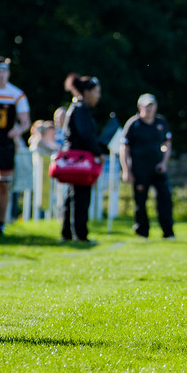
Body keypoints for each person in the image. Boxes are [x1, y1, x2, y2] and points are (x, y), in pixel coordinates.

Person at [120, 93, 174, 239]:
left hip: (157, 169)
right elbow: (124, 148)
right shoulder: (133, 124)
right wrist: (126, 170)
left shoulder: (161, 123)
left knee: (165, 199)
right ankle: (142, 232)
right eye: (146, 106)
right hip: (139, 170)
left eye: (152, 106)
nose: (149, 109)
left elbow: (167, 144)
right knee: (140, 202)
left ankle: (168, 232)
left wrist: (164, 162)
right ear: (140, 107)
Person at [61, 73, 104, 244]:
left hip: (78, 159)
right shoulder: (79, 109)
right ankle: (80, 234)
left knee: (74, 196)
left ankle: (69, 233)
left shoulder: (80, 109)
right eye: (97, 92)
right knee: (80, 196)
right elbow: (86, 135)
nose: (98, 96)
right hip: (79, 160)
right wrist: (98, 152)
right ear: (87, 92)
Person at [0, 56, 31, 236]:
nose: (1, 75)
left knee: (4, 184)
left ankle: (1, 223)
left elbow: (25, 122)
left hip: (5, 144)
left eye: (4, 71)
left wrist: (18, 130)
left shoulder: (16, 94)